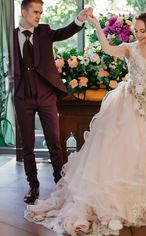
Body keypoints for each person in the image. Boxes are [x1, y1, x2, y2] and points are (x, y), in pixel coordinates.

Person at [24, 10, 146, 235]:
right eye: (136, 30)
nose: (139, 35)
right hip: (129, 106)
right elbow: (107, 49)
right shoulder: (130, 48)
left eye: (143, 31)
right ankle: (122, 198)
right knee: (127, 151)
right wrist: (97, 25)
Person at [13, 0, 89, 204]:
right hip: (23, 99)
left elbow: (64, 32)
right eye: (35, 12)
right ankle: (33, 186)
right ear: (24, 11)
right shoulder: (11, 37)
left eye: (41, 12)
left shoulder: (44, 31)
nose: (39, 16)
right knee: (27, 146)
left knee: (55, 143)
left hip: (46, 97)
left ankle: (60, 184)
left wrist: (79, 19)